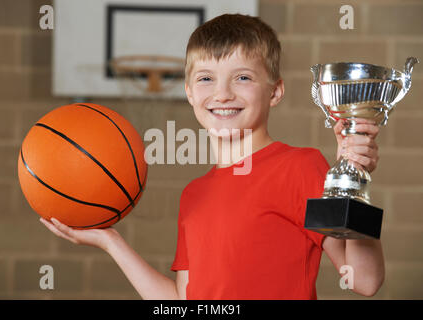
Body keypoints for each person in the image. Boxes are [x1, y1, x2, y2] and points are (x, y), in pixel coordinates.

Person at [40, 14, 384, 299]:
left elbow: (364, 280)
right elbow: (182, 302)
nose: (222, 94)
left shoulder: (300, 167)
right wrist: (111, 242)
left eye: (243, 77)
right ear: (189, 92)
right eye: (206, 78)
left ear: (275, 91)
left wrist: (354, 183)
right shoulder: (194, 195)